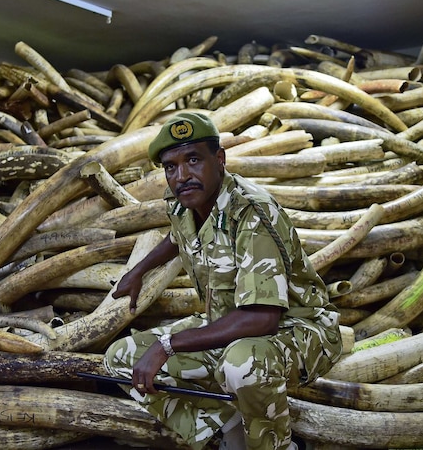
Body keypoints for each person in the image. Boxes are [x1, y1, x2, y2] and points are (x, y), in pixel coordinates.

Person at [104, 112, 342, 450]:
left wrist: (168, 345)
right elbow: (179, 236)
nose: (182, 176)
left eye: (193, 160)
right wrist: (139, 269)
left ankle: (277, 446)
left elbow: (263, 317)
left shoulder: (249, 212)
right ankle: (233, 431)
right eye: (171, 167)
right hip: (227, 324)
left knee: (241, 364)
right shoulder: (186, 202)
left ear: (220, 160)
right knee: (121, 359)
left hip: (297, 331)